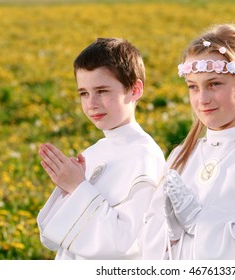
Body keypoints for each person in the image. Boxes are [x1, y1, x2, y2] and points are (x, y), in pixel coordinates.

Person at [140, 23, 235, 259]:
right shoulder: (181, 155)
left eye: (214, 84)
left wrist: (199, 221)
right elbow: (147, 242)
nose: (202, 99)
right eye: (193, 87)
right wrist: (168, 234)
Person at [37, 38, 165, 260]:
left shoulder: (144, 155)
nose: (91, 104)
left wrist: (78, 187)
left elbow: (127, 243)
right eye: (83, 93)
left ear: (135, 89)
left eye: (102, 91)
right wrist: (67, 191)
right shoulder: (93, 152)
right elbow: (52, 237)